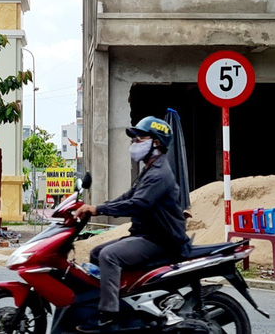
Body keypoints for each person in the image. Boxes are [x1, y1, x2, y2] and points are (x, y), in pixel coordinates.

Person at [74, 116, 191, 333]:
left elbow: (137, 204)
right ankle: (122, 301)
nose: (134, 144)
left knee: (109, 256)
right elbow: (128, 196)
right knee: (96, 253)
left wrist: (98, 210)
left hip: (161, 240)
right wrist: (96, 207)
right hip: (147, 235)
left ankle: (110, 316)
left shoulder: (158, 174)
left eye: (139, 139)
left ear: (156, 143)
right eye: (134, 139)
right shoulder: (149, 170)